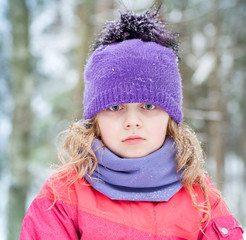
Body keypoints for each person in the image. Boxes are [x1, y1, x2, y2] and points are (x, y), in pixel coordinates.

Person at [20, 8, 244, 240]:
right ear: (95, 118)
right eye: (115, 107)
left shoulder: (201, 196)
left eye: (148, 106)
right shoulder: (62, 196)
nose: (132, 122)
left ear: (170, 116)